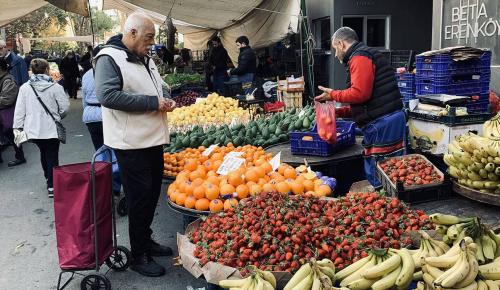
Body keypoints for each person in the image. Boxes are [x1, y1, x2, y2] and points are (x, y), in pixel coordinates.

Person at [94, 13, 176, 277]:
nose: (151, 43)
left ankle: (146, 239)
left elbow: (159, 84)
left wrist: (165, 96)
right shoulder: (109, 58)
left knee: (152, 194)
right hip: (131, 144)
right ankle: (138, 255)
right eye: (148, 38)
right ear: (131, 33)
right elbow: (107, 95)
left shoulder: (144, 57)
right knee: (140, 198)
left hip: (152, 139)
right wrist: (152, 103)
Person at [315, 27, 405, 189]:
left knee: (382, 172)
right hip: (386, 119)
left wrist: (333, 95)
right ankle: (387, 203)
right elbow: (366, 101)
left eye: (335, 49)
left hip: (383, 123)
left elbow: (360, 94)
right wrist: (339, 112)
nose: (335, 55)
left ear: (341, 44)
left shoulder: (360, 57)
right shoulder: (364, 55)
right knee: (391, 171)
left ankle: (386, 207)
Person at [13, 58, 69, 197]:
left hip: (33, 129)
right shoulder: (56, 87)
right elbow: (65, 107)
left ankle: (48, 178)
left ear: (31, 70)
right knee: (52, 155)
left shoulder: (25, 88)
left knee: (44, 153)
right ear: (47, 69)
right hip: (51, 127)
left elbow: (20, 109)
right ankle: (52, 185)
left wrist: (17, 127)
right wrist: (58, 116)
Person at [0, 58, 26, 166]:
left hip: (7, 113)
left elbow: (6, 100)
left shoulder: (8, 80)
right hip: (4, 114)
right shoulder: (3, 79)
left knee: (12, 135)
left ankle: (20, 157)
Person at [82, 45, 104, 150]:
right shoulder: (111, 72)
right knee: (115, 151)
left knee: (99, 149)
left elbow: (84, 99)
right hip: (106, 115)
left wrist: (86, 110)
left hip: (90, 116)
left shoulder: (86, 75)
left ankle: (102, 166)